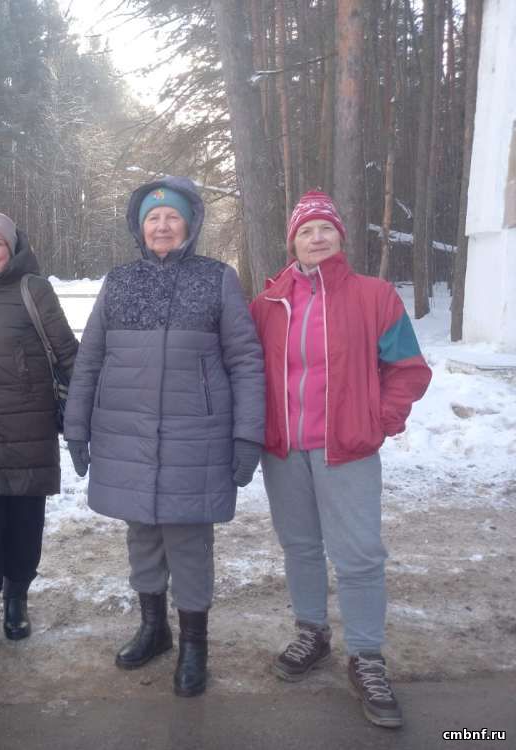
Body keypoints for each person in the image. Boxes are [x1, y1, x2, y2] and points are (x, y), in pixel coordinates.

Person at [63, 177, 264, 697]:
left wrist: (248, 436)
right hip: (126, 432)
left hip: (195, 435)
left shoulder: (217, 278)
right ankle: (154, 629)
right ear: (139, 228)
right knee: (143, 535)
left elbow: (245, 360)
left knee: (188, 539)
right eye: (152, 218)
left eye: (172, 217)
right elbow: (90, 360)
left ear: (190, 224)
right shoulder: (119, 282)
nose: (162, 226)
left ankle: (195, 645)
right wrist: (76, 427)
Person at [249, 191, 431, 729]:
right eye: (306, 231)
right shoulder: (268, 303)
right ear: (293, 242)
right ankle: (312, 633)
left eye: (326, 228)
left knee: (360, 555)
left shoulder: (374, 296)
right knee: (301, 547)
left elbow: (408, 368)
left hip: (347, 449)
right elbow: (245, 370)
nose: (317, 238)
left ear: (341, 237)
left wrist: (380, 420)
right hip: (284, 450)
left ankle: (367, 656)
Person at [0, 212, 78, 654]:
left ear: (12, 250)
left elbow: (68, 355)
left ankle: (17, 598)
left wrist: (85, 416)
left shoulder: (33, 289)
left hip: (29, 429)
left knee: (25, 526)